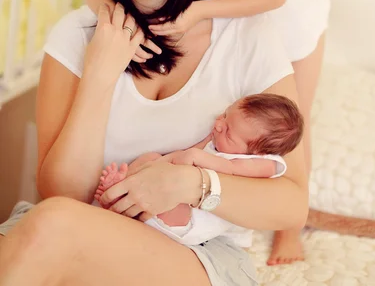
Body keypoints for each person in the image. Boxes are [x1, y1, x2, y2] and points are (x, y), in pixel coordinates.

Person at [0, 0, 308, 286]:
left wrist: (191, 184)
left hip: (193, 256)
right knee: (50, 224)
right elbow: (62, 195)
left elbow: (292, 203)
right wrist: (100, 75)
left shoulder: (248, 36)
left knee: (52, 226)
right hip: (72, 234)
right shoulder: (75, 37)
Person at [94, 92, 304, 246]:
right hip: (169, 188)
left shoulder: (264, 163)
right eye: (224, 115)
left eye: (229, 132)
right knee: (151, 158)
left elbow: (230, 169)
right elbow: (184, 154)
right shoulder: (218, 142)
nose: (219, 124)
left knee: (174, 204)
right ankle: (122, 187)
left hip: (195, 218)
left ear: (257, 152)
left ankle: (128, 201)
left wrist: (195, 158)